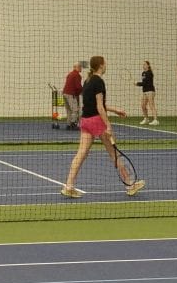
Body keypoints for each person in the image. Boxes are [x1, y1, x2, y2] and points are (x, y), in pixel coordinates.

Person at [61, 56, 145, 198]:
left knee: (81, 154)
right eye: (105, 64)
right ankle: (130, 185)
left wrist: (115, 110)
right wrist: (108, 125)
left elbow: (96, 104)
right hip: (96, 121)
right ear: (101, 65)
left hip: (85, 121)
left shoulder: (88, 80)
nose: (106, 66)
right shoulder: (99, 81)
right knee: (114, 154)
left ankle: (68, 186)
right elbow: (99, 106)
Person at [62, 61, 84, 130]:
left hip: (65, 93)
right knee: (75, 110)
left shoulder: (70, 74)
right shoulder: (77, 75)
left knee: (69, 110)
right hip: (71, 94)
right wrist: (82, 92)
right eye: (80, 67)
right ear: (77, 67)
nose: (81, 68)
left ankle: (68, 125)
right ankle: (73, 124)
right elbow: (78, 87)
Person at [137, 60, 159, 125]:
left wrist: (137, 83)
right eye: (143, 64)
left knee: (151, 105)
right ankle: (146, 119)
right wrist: (138, 84)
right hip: (144, 91)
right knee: (143, 105)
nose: (143, 65)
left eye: (145, 64)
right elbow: (144, 83)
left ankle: (155, 120)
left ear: (148, 65)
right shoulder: (143, 73)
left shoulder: (149, 73)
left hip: (150, 91)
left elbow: (145, 83)